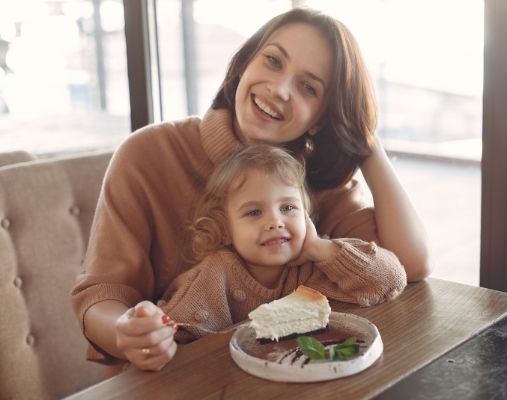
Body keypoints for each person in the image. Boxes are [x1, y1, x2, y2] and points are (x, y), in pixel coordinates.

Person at [71, 7, 432, 372]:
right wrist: (128, 331)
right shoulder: (147, 154)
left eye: (308, 87)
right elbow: (101, 296)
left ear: (321, 116)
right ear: (245, 63)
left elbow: (410, 265)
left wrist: (365, 143)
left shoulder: (320, 179)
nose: (279, 89)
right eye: (273, 61)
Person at [159, 143, 407, 343]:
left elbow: (391, 281)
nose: (276, 222)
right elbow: (175, 334)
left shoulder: (316, 264)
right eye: (254, 213)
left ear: (306, 215)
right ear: (225, 230)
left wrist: (320, 248)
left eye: (288, 207)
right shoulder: (215, 275)